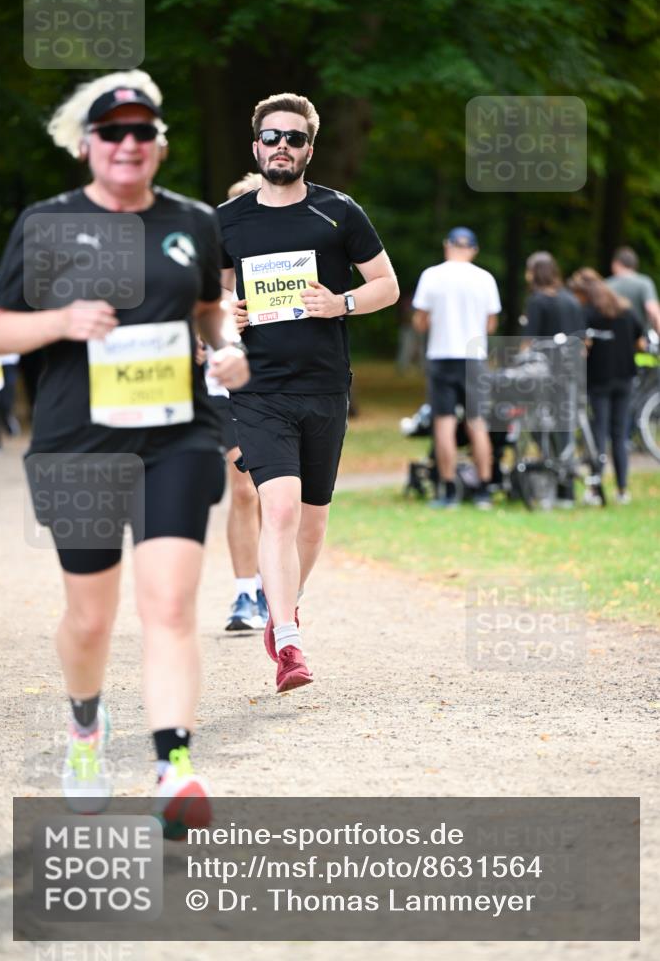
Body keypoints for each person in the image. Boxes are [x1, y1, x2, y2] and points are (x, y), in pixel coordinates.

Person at [0, 71, 249, 828]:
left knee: (168, 604)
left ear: (160, 146)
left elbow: (210, 309)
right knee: (91, 619)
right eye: (114, 133)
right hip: (78, 447)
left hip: (177, 437)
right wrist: (60, 321)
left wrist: (228, 348)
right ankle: (85, 725)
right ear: (87, 146)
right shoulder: (46, 225)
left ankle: (173, 767)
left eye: (143, 132)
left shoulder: (195, 222)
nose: (128, 144)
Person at [217, 92, 398, 693]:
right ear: (256, 146)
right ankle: (288, 639)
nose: (282, 147)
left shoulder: (339, 212)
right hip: (259, 389)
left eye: (294, 139)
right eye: (272, 137)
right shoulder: (229, 221)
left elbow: (388, 286)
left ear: (309, 150)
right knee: (281, 507)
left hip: (324, 385)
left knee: (313, 523)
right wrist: (227, 317)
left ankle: (282, 606)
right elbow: (209, 302)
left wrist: (339, 302)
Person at [206, 172, 268, 631]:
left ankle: (274, 585)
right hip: (226, 392)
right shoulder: (210, 272)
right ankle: (245, 594)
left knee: (277, 494)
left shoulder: (283, 268)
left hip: (279, 390)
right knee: (244, 488)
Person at [412, 227, 501, 510]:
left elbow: (420, 320)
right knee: (477, 422)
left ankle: (448, 489)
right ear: (474, 249)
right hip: (474, 356)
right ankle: (484, 489)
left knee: (444, 424)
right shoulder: (485, 278)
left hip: (441, 355)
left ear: (446, 245)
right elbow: (491, 323)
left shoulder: (432, 275)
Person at [568, 268, 643, 503]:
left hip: (599, 380)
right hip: (625, 378)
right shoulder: (625, 309)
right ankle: (622, 490)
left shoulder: (587, 313)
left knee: (598, 434)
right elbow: (639, 342)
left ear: (583, 292)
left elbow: (582, 346)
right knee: (619, 436)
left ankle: (595, 489)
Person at [522, 251, 585, 508]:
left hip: (544, 376)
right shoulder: (570, 300)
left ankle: (550, 479)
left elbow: (527, 343)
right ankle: (566, 491)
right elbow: (583, 343)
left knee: (539, 427)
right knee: (565, 430)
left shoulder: (537, 302)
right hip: (570, 374)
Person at [607, 246, 660, 334]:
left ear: (616, 264)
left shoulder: (606, 285)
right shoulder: (644, 282)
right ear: (634, 264)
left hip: (614, 340)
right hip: (640, 341)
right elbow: (652, 309)